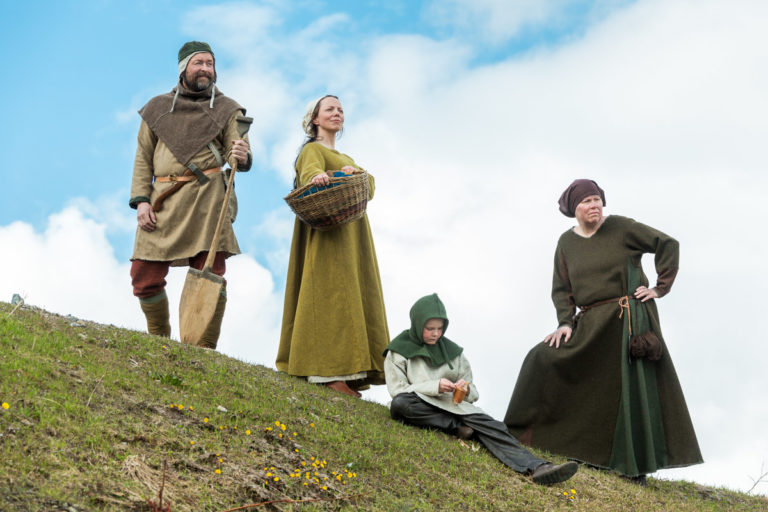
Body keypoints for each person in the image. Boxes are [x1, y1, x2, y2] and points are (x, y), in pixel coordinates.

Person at [503, 179, 702, 484]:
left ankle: (633, 468)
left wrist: (659, 289)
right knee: (542, 358)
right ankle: (525, 438)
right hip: (591, 321)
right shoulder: (565, 243)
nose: (594, 205)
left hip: (628, 318)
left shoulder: (622, 227)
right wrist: (565, 323)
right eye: (586, 202)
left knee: (629, 389)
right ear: (574, 209)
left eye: (597, 199)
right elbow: (562, 288)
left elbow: (667, 243)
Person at [128, 41, 251, 348]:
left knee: (210, 272)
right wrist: (142, 201)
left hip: (206, 200)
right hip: (163, 199)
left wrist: (242, 155)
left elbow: (238, 155)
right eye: (199, 63)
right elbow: (143, 158)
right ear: (183, 68)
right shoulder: (157, 109)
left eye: (210, 64)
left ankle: (202, 348)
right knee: (143, 275)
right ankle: (159, 340)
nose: (206, 69)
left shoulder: (227, 109)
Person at [384, 293, 578, 485]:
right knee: (400, 404)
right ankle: (457, 428)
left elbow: (473, 393)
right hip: (421, 405)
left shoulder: (455, 354)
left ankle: (539, 467)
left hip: (456, 407)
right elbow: (397, 389)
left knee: (495, 427)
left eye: (440, 328)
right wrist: (435, 386)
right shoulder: (398, 351)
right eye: (430, 328)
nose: (436, 333)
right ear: (417, 325)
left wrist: (465, 389)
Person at [276, 95, 389, 398]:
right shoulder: (311, 150)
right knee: (328, 295)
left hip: (352, 233)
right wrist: (330, 176)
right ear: (315, 118)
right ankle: (327, 372)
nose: (337, 113)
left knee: (352, 295)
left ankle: (350, 371)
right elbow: (310, 174)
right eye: (330, 109)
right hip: (328, 235)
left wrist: (354, 174)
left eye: (340, 110)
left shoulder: (347, 157)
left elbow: (371, 185)